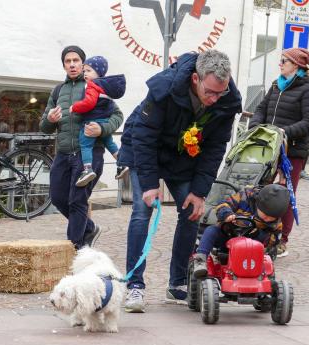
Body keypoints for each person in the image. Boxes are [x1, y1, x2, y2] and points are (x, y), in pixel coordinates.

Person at [126, 50, 242, 310]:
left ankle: (177, 283)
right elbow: (144, 136)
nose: (214, 99)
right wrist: (149, 184)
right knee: (141, 212)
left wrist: (200, 192)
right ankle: (135, 286)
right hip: (146, 150)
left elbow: (215, 148)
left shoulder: (227, 101)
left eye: (219, 93)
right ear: (195, 79)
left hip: (183, 159)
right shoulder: (165, 87)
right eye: (209, 92)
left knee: (192, 212)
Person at [39, 45, 123, 249]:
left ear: (82, 63)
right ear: (64, 65)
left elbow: (117, 115)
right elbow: (44, 127)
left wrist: (101, 128)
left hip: (88, 155)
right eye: (68, 61)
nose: (72, 64)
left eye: (76, 60)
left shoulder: (93, 85)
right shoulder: (58, 91)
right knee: (58, 198)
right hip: (63, 153)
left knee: (77, 201)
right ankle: (90, 228)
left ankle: (74, 247)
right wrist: (50, 119)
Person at [249, 48, 309, 258]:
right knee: (262, 190)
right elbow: (262, 108)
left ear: (296, 65)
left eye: (284, 61)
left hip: (292, 150)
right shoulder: (276, 84)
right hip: (269, 148)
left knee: (285, 195)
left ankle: (281, 241)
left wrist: (284, 132)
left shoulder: (307, 89)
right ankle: (260, 234)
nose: (280, 64)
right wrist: (255, 125)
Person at [192, 184, 290, 278]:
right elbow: (222, 204)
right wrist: (227, 214)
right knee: (211, 230)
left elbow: (275, 240)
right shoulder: (244, 196)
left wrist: (260, 234)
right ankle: (200, 260)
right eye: (265, 215)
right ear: (258, 204)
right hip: (228, 235)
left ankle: (257, 275)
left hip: (251, 247)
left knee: (265, 245)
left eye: (272, 218)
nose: (267, 219)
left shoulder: (276, 223)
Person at [69, 55, 127, 186]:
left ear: (98, 72)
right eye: (84, 71)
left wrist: (75, 107)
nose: (85, 74)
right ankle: (122, 164)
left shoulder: (92, 85)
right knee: (110, 143)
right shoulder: (106, 87)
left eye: (88, 70)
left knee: (85, 145)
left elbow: (89, 103)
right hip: (104, 122)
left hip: (91, 123)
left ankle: (87, 169)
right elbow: (110, 107)